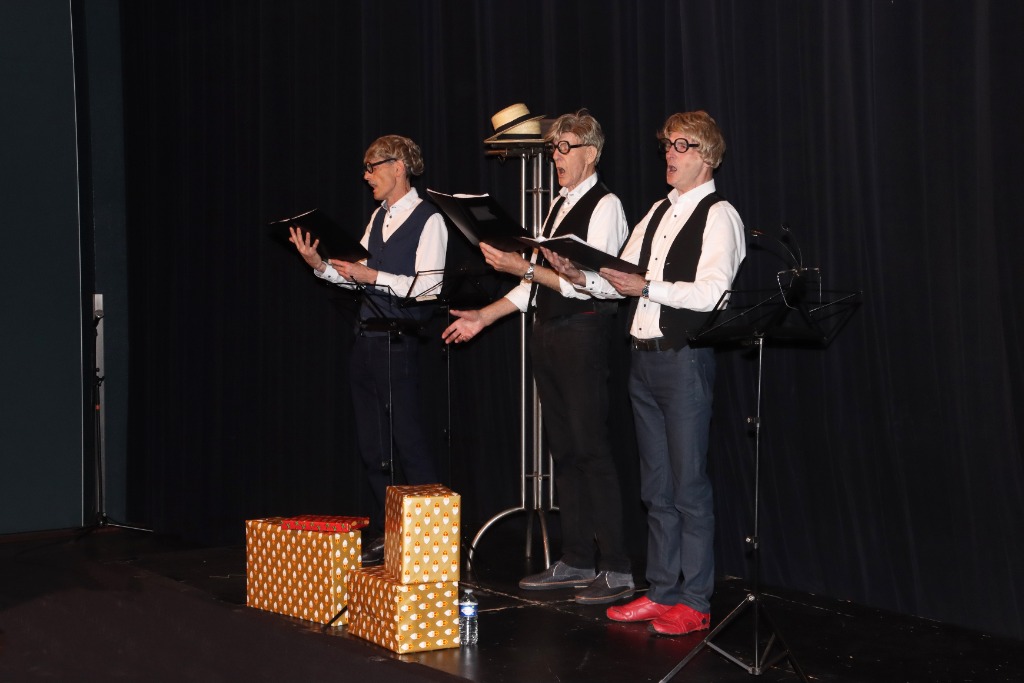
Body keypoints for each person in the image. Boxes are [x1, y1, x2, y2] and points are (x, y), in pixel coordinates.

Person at [546, 111, 746, 635]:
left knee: (688, 488)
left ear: (707, 155)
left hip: (684, 362)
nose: (669, 154)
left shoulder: (720, 215)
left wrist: (647, 287)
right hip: (644, 361)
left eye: (681, 145)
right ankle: (661, 592)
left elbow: (713, 294)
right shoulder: (657, 211)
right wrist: (579, 273)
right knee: (656, 488)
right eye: (667, 146)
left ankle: (695, 602)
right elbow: (617, 279)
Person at [442, 110, 634, 605]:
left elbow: (596, 286)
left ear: (592, 152)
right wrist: (483, 316)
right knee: (564, 451)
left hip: (584, 333)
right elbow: (533, 288)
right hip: (549, 333)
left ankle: (616, 568)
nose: (556, 157)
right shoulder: (555, 206)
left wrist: (522, 269)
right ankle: (576, 558)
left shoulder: (606, 205)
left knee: (591, 450)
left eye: (566, 147)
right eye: (553, 148)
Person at [288, 135, 447, 565]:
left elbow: (429, 289)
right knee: (374, 447)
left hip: (398, 342)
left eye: (372, 167)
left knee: (408, 442)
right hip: (366, 340)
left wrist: (374, 277)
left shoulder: (429, 218)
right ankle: (389, 533)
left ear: (399, 167)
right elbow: (355, 275)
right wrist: (319, 265)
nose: (366, 175)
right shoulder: (379, 216)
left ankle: (429, 543)